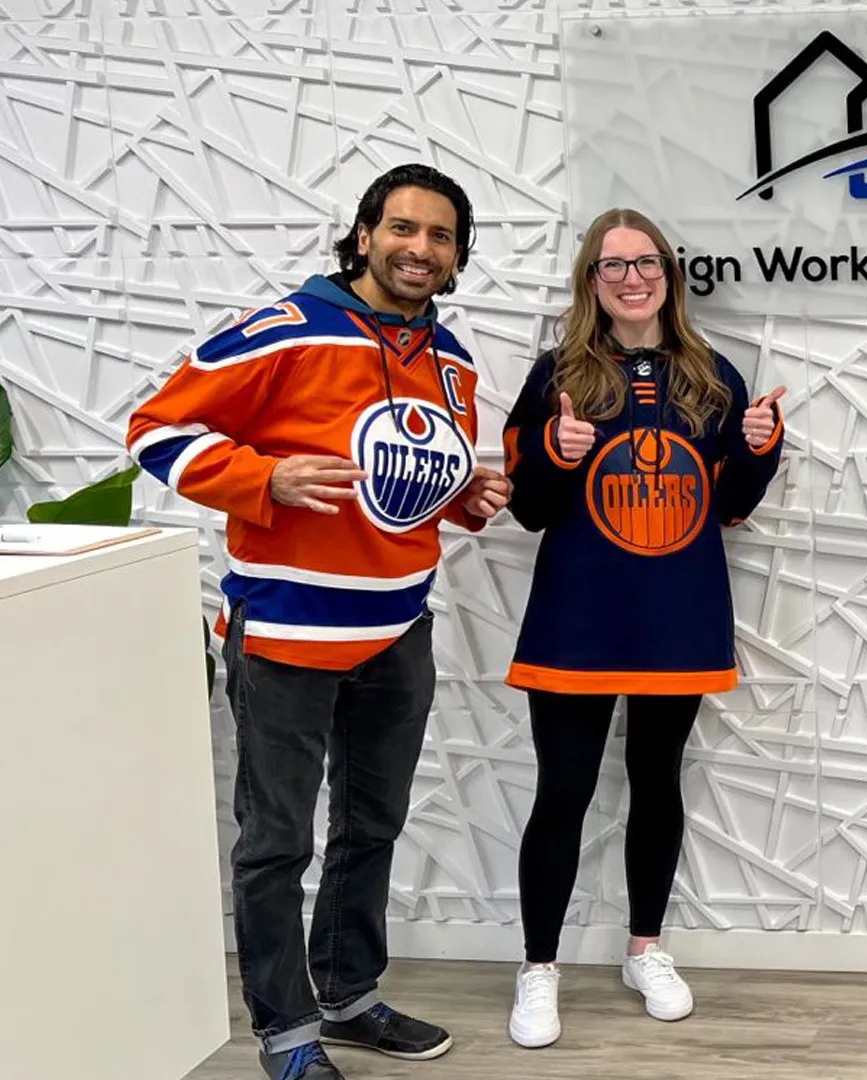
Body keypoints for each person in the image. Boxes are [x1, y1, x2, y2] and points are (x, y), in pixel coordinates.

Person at [125, 163, 511, 1080]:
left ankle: (347, 996)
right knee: (276, 843)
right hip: (286, 634)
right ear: (367, 233)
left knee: (371, 825)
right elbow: (154, 428)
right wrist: (265, 479)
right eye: (404, 229)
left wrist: (465, 496)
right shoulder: (287, 331)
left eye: (441, 237)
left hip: (396, 631)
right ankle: (287, 1033)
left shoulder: (449, 359)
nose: (420, 248)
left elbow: (398, 482)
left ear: (457, 258)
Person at [497, 207, 786, 1048]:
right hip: (577, 617)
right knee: (565, 791)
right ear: (592, 280)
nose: (632, 278)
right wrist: (556, 447)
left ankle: (645, 950)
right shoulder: (558, 375)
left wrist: (760, 446)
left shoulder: (713, 375)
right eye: (613, 265)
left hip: (677, 617)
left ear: (669, 273)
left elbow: (727, 507)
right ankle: (538, 968)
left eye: (646, 262)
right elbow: (526, 507)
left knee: (657, 783)